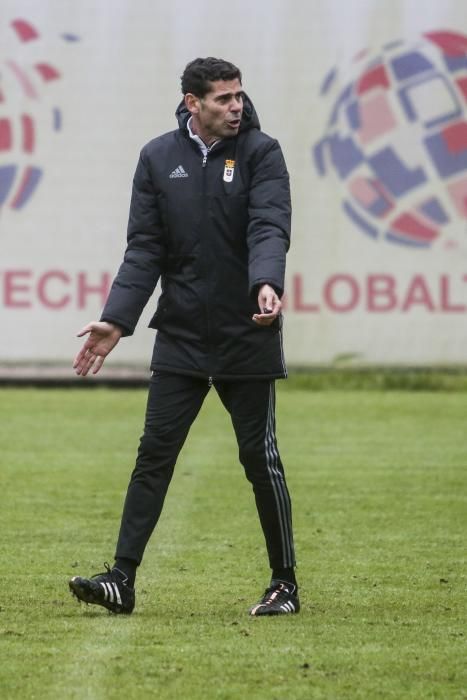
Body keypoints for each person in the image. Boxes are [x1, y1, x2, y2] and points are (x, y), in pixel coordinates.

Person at [68, 57, 299, 617]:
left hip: (247, 331)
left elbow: (269, 224)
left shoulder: (262, 153)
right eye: (222, 99)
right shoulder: (157, 157)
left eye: (239, 95)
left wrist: (265, 283)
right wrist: (116, 321)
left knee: (257, 455)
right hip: (182, 336)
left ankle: (285, 585)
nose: (236, 106)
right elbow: (145, 248)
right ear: (192, 104)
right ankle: (121, 579)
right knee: (154, 454)